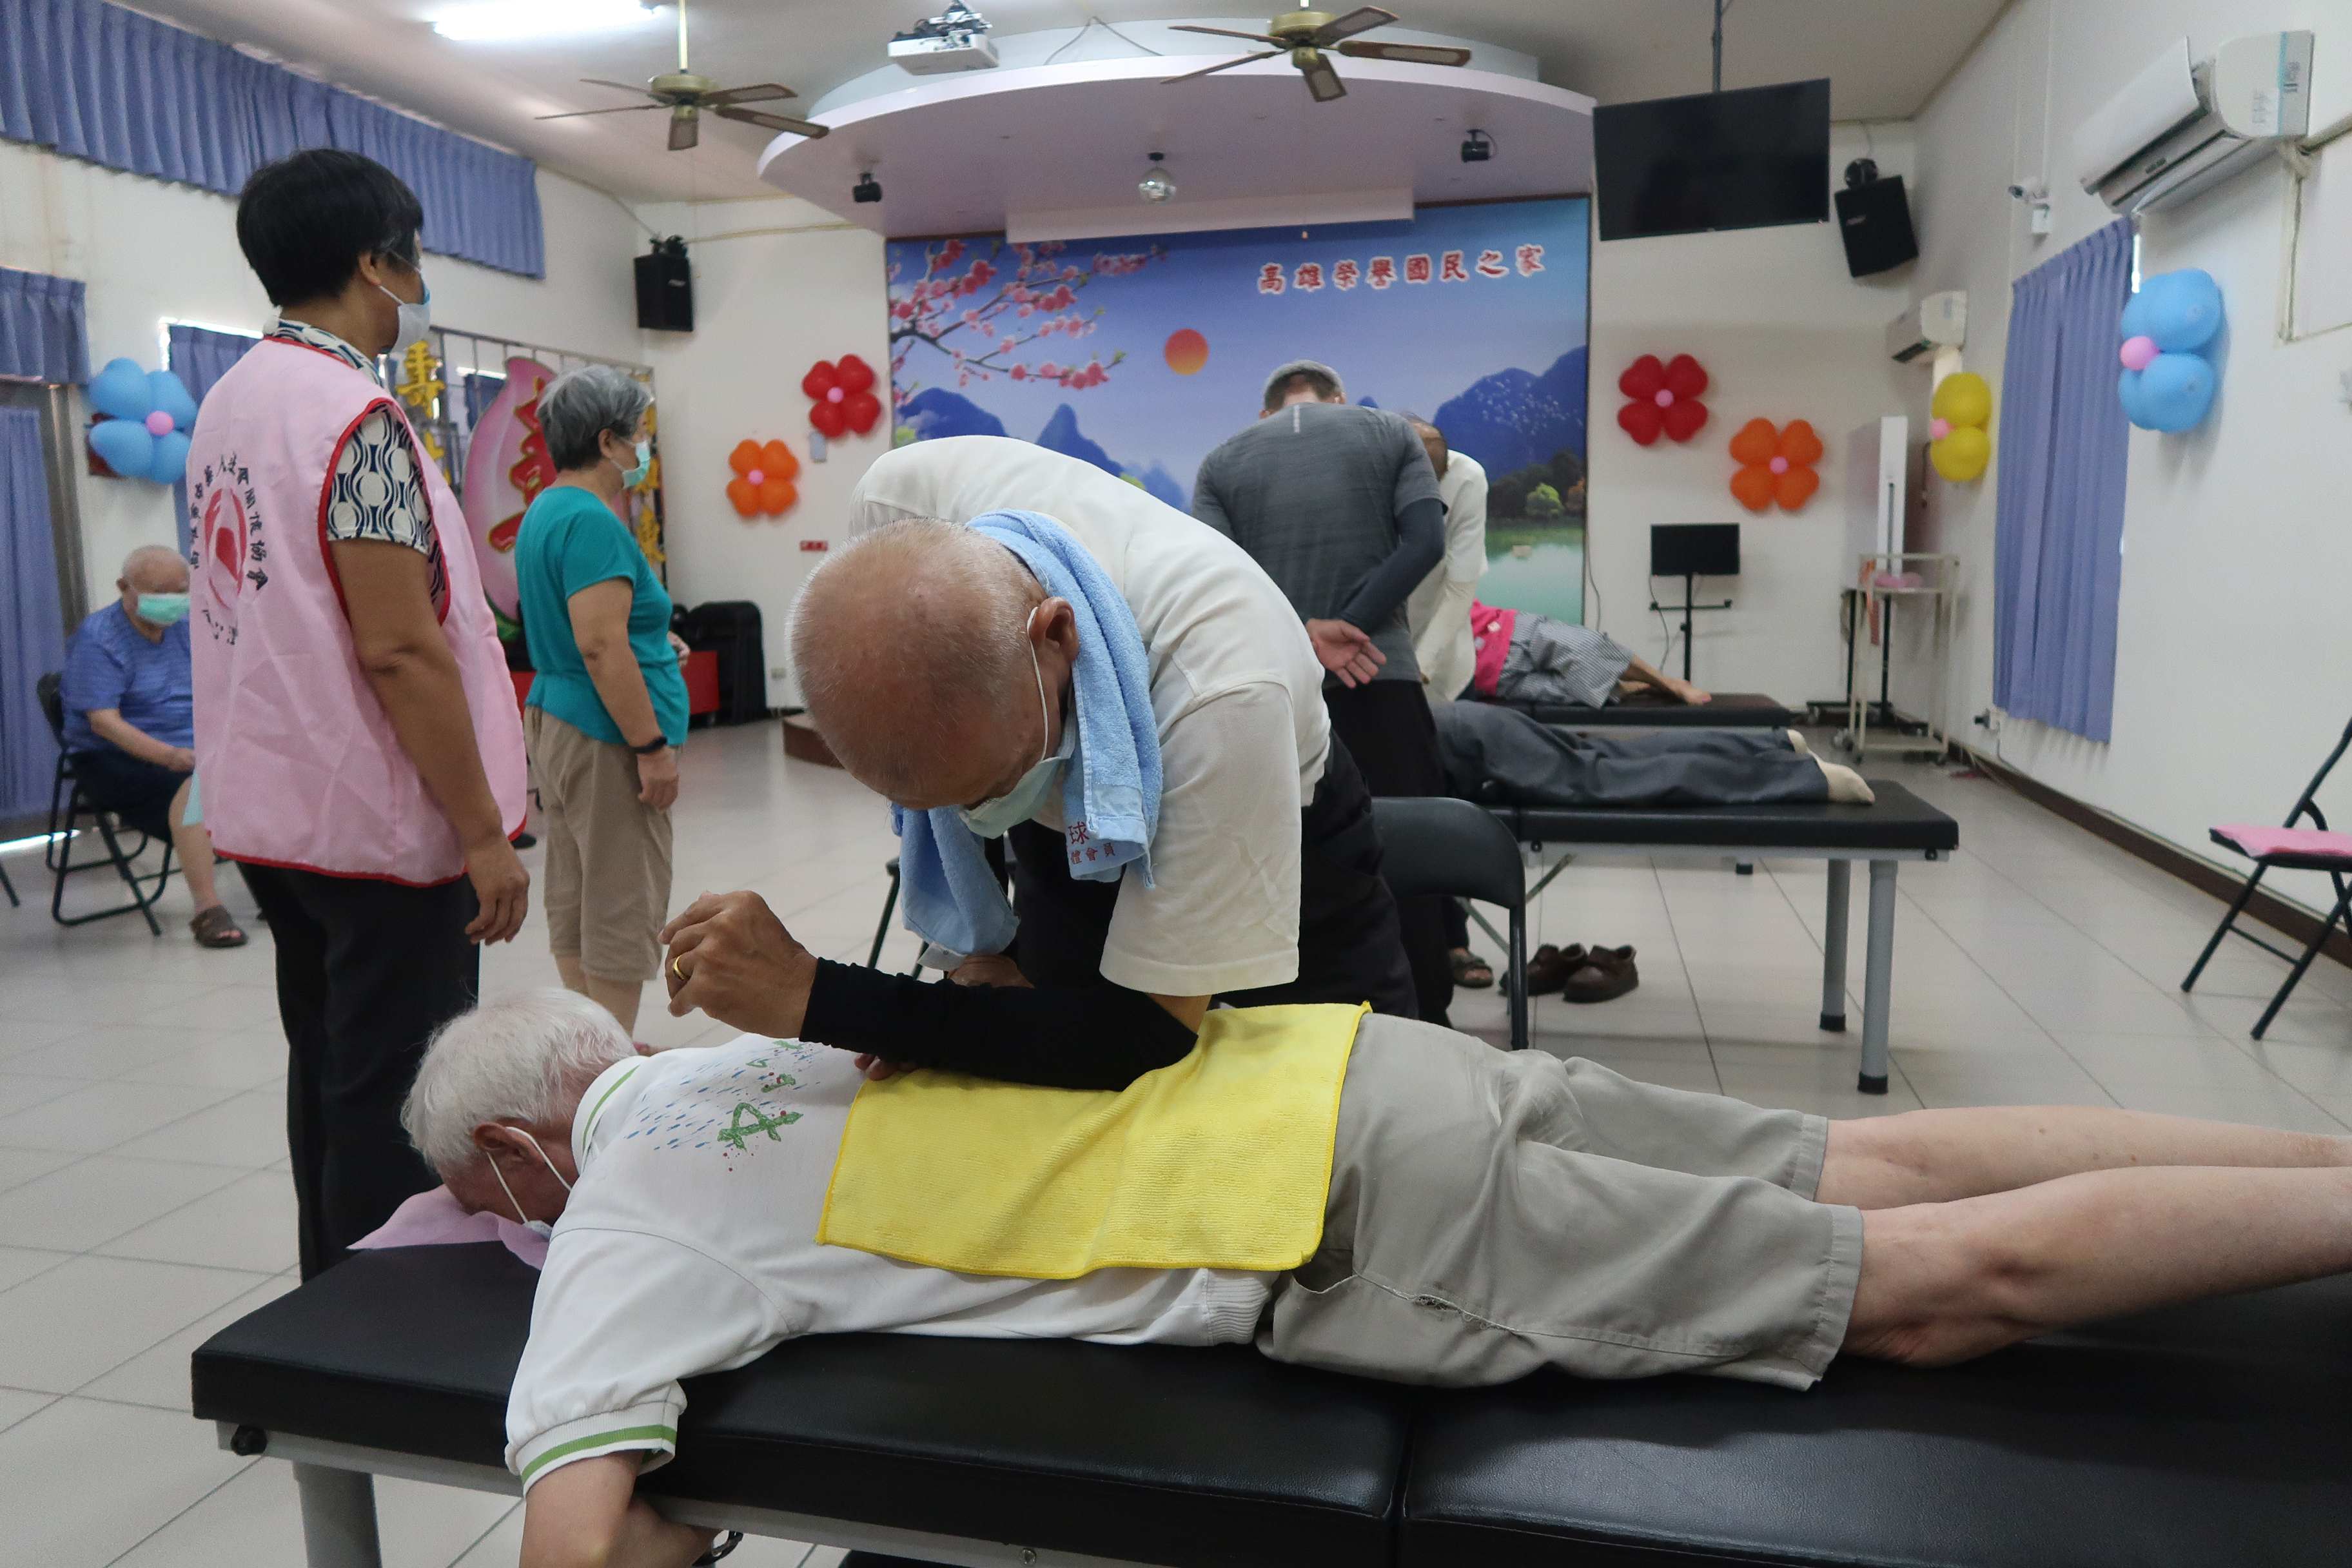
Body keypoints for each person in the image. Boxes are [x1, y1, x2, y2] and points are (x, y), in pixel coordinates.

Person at [406, 990, 2352, 1568]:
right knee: (1882, 1159)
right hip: (1354, 1061)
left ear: (513, 1152)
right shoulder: (753, 1029)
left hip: (1338, 1205)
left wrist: (692, 1526)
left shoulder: (615, 1215)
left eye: (479, 1199)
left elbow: (576, 1546)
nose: (499, 1224)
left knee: (1930, 1282)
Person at [660, 436, 1415, 1094]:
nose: (975, 816)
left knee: (1328, 1103)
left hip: (1285, 853)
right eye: (941, 804)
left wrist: (815, 995)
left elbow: (1146, 1036)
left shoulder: (1223, 686)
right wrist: (985, 965)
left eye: (993, 787)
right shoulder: (897, 509)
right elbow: (962, 755)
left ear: (1056, 636)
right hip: (1066, 817)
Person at [188, 147, 529, 1279]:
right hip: (379, 820)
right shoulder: (356, 418)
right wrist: (482, 834)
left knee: (329, 1065)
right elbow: (398, 645)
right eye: (412, 259)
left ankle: (326, 1295)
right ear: (376, 263)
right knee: (398, 1091)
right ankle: (386, 1321)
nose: (417, 285)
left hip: (278, 813)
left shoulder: (230, 402)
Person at [1191, 360, 1454, 1024]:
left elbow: (1217, 576)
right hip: (1378, 676)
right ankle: (1422, 1027)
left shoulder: (1223, 460)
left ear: (1265, 411)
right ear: (1340, 400)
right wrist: (1351, 620)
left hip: (1269, 697)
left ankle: (1284, 1031)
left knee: (1278, 865)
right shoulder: (1390, 433)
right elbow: (1426, 543)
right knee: (1411, 869)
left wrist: (1299, 635)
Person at [515, 366, 688, 1036]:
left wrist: (653, 642)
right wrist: (651, 748)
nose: (644, 446)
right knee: (620, 892)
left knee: (577, 885)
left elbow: (591, 628)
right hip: (604, 731)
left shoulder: (547, 509)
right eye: (637, 433)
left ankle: (589, 1038)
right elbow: (599, 645)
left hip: (558, 715)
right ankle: (608, 1057)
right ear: (607, 440)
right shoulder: (592, 521)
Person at [58, 545, 244, 947]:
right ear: (124, 588)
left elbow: (218, 687)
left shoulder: (187, 627)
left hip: (190, 747)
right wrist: (169, 756)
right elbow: (104, 722)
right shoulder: (99, 637)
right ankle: (208, 909)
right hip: (114, 756)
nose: (173, 601)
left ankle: (282, 889)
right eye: (160, 592)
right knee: (197, 787)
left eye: (181, 591)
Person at [1433, 700, 1874, 808]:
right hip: (1461, 725)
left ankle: (1807, 777)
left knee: (1603, 779)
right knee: (1606, 757)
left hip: (1458, 739)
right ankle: (1774, 746)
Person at [1469, 600, 1710, 709]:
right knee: (1582, 693)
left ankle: (1667, 683)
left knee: (1589, 646)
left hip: (1504, 632)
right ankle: (1640, 686)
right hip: (1492, 680)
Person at [1400, 415, 1487, 705]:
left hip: (1442, 667)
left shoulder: (1467, 478)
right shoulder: (1358, 477)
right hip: (1367, 663)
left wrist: (1420, 668)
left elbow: (1460, 588)